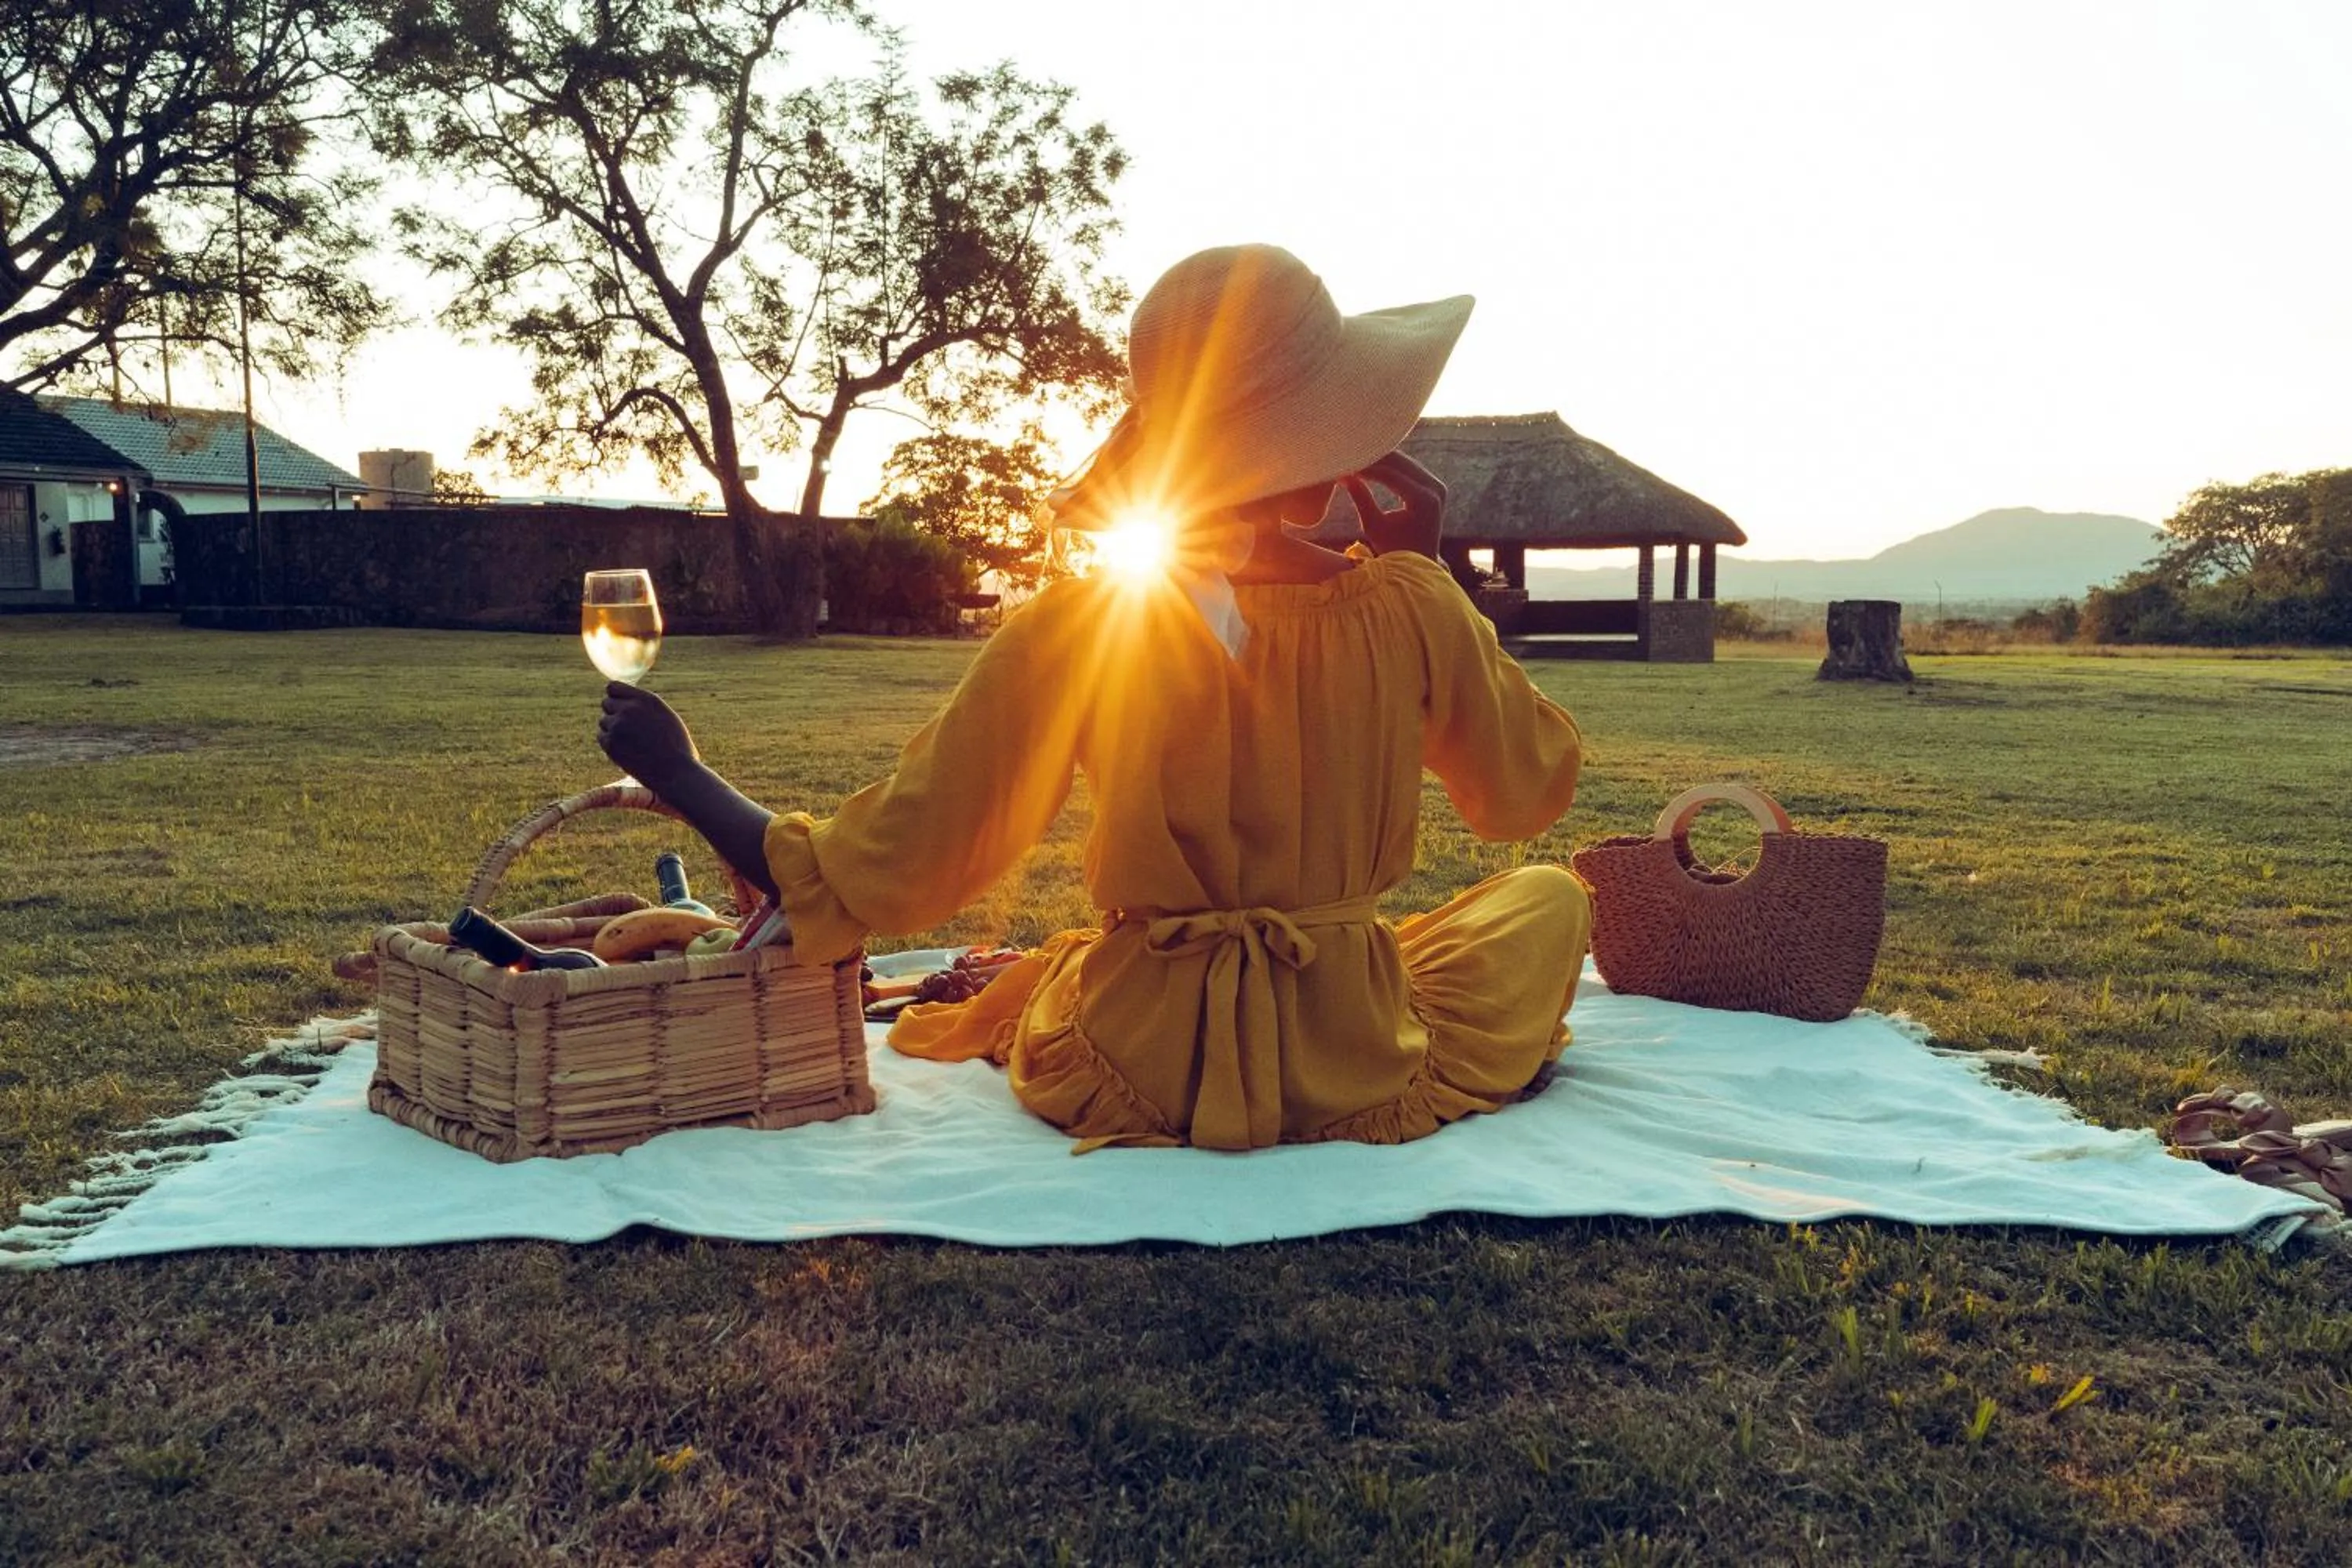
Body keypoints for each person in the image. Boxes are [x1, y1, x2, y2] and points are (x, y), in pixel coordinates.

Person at [599, 243, 1592, 1153]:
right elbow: (1522, 795)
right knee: (1550, 896)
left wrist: (684, 773)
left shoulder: (1084, 624)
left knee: (1071, 961)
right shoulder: (1411, 602)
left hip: (1139, 1063)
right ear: (1335, 451)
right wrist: (1426, 583)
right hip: (1357, 1046)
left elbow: (903, 854)